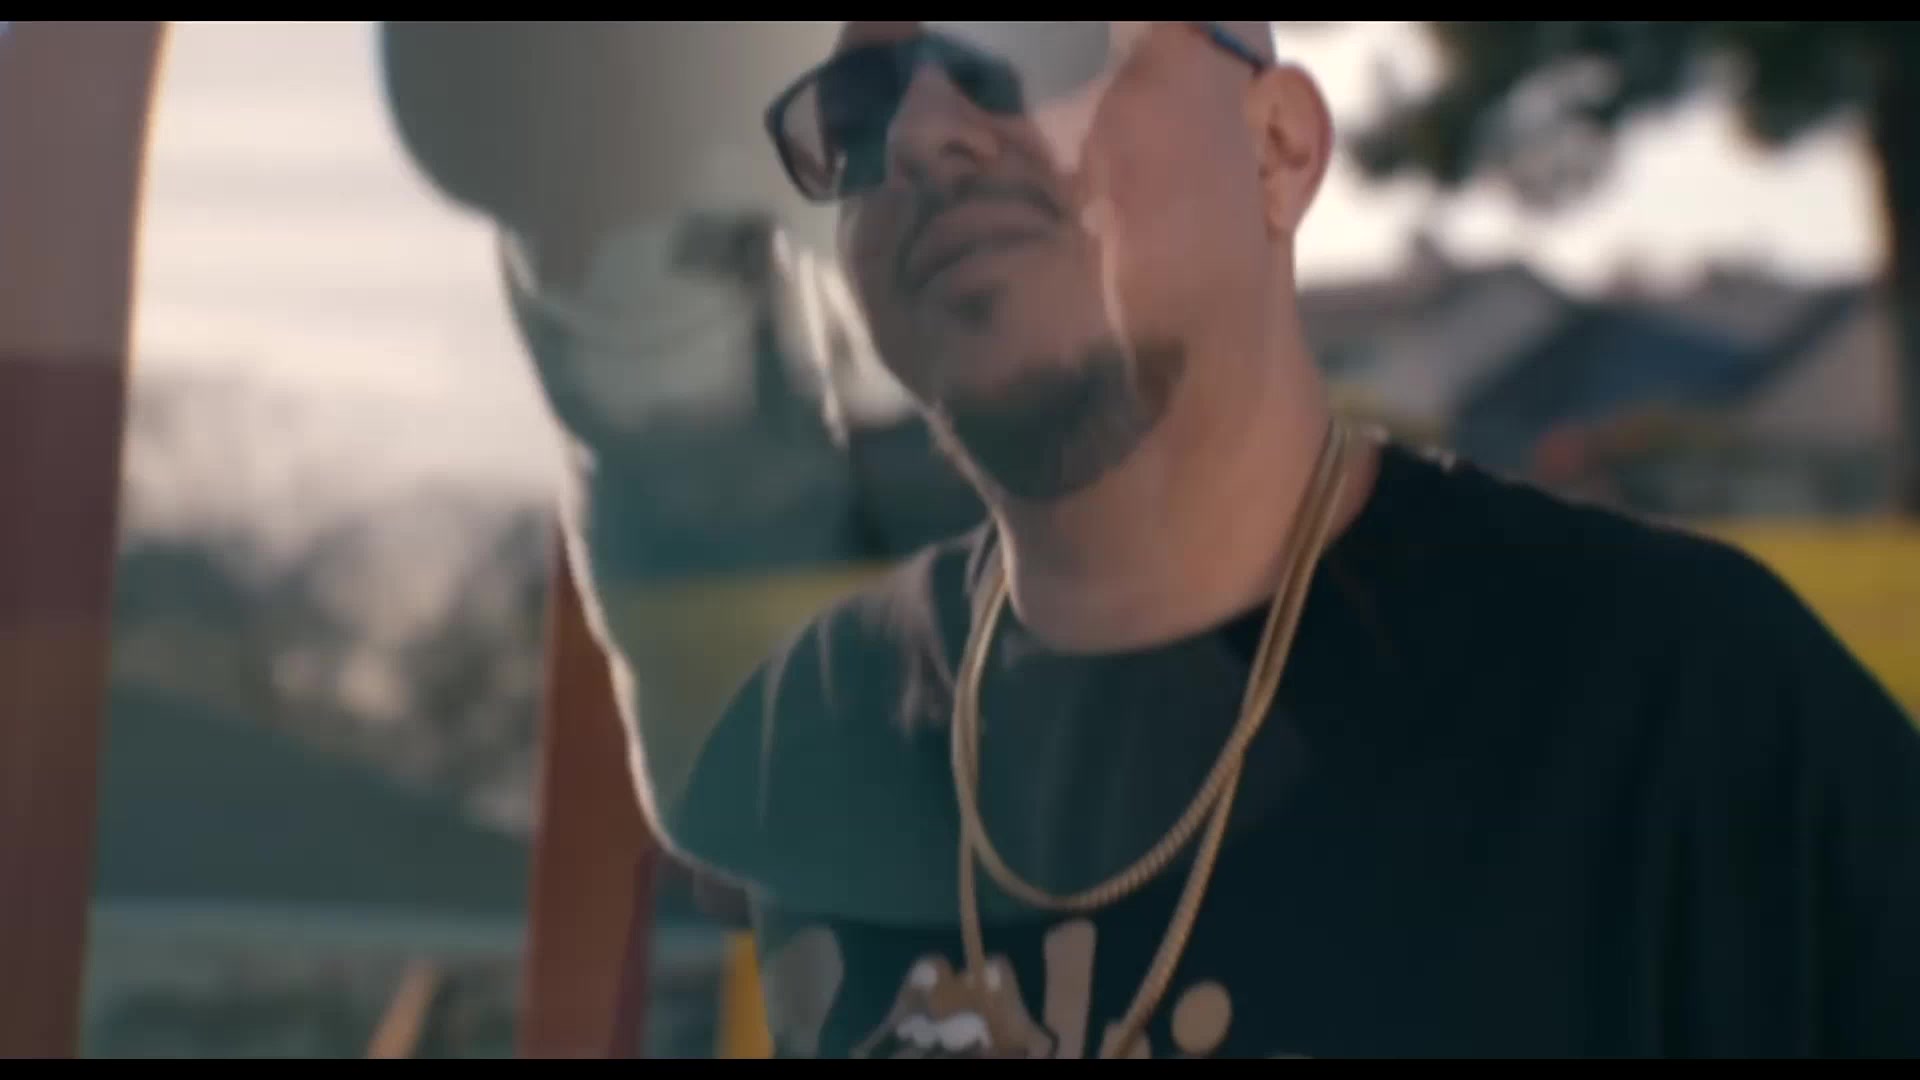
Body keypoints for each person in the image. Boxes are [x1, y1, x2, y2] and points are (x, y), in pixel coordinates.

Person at [650, 21, 1920, 1058]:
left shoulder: (1694, 714)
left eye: (1026, 44)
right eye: (860, 106)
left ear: (1278, 149)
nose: (922, 133)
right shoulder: (814, 735)